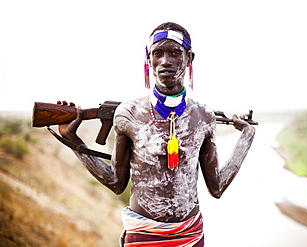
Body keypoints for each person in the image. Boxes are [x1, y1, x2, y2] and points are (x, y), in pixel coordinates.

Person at [59, 22, 255, 247]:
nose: (165, 61)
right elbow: (116, 182)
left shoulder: (204, 117)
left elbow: (216, 188)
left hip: (189, 237)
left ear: (189, 58)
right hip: (143, 237)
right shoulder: (128, 114)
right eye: (157, 53)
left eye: (174, 53)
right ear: (148, 59)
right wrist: (72, 138)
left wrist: (246, 137)